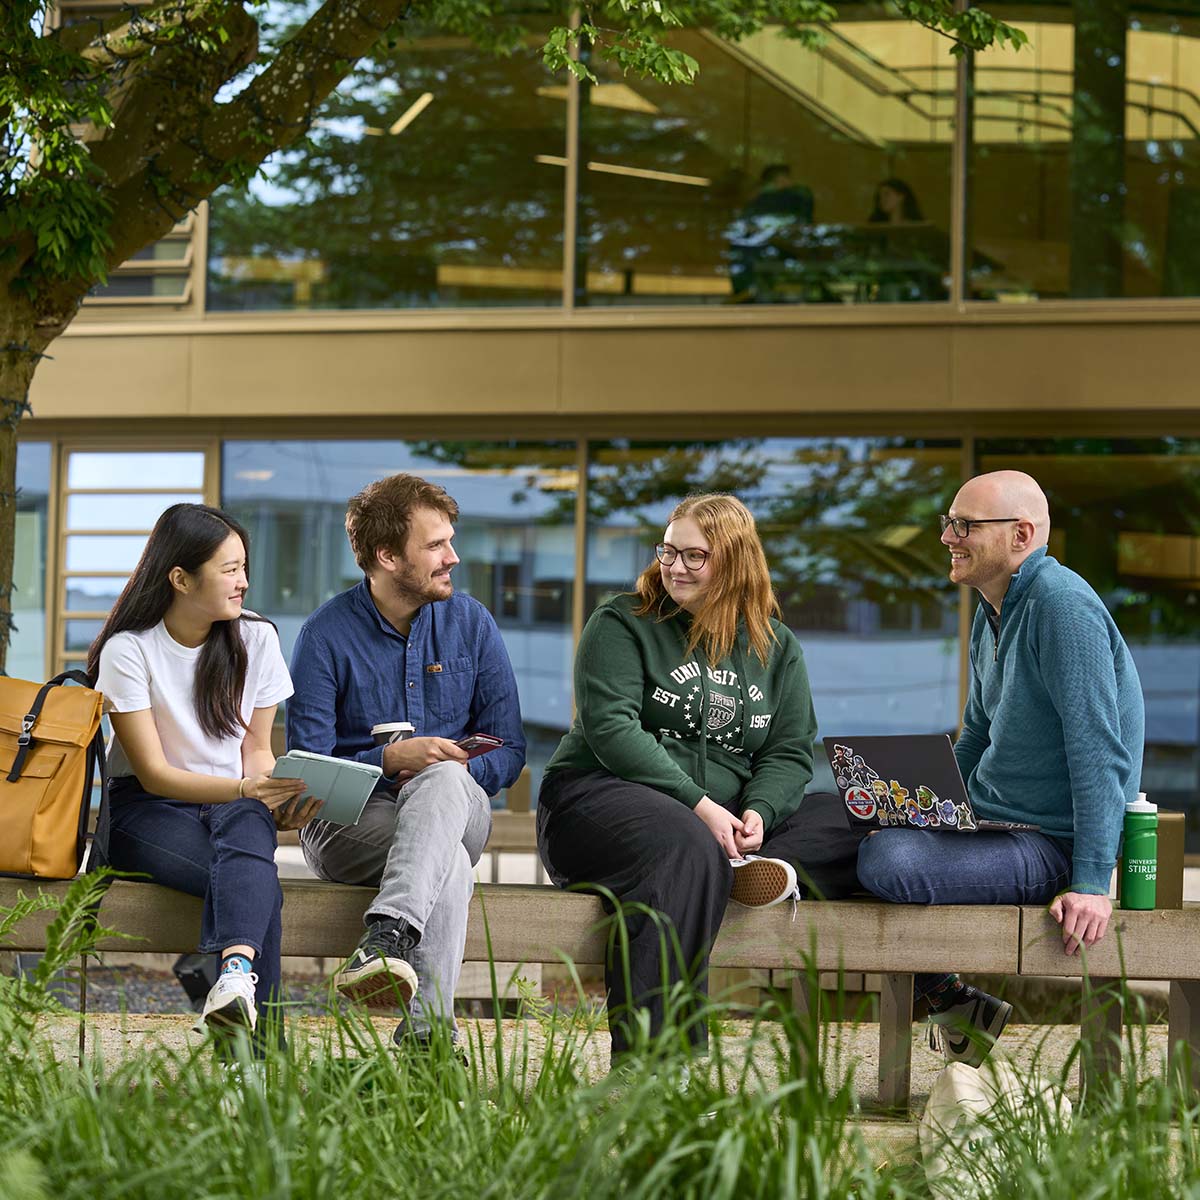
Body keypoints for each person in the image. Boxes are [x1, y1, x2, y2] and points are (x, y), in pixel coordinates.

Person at [536, 493, 842, 1060]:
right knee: (685, 846)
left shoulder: (776, 646)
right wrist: (701, 806)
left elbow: (790, 751)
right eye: (668, 551)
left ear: (735, 561)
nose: (674, 566)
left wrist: (761, 812)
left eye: (694, 556)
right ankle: (658, 1067)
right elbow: (612, 730)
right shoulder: (623, 622)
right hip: (598, 798)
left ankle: (757, 861)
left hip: (720, 818)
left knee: (849, 815)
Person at [856, 470, 1145, 1065]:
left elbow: (1099, 748)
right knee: (839, 820)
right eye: (947, 523)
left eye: (964, 526)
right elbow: (979, 733)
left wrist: (1091, 882)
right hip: (992, 823)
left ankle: (951, 1001)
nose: (948, 538)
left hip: (1046, 844)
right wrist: (925, 804)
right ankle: (953, 999)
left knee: (889, 859)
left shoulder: (1061, 608)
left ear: (1021, 534)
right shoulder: (994, 611)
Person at [287, 472, 526, 1051]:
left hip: (458, 810)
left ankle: (386, 934)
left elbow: (511, 751)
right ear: (388, 556)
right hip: (350, 826)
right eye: (436, 545)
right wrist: (390, 760)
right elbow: (307, 782)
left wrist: (451, 769)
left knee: (445, 781)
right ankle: (427, 1042)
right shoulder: (324, 636)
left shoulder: (472, 624)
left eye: (450, 540)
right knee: (444, 866)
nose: (454, 556)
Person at [87, 504, 315, 1050]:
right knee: (255, 884)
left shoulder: (256, 639)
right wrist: (246, 790)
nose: (245, 582)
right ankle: (257, 1064)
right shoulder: (129, 650)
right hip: (146, 810)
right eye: (229, 569)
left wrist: (274, 793)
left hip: (232, 808)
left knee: (248, 836)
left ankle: (234, 979)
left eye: (243, 567)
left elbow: (256, 751)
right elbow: (156, 774)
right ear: (181, 578)